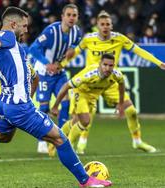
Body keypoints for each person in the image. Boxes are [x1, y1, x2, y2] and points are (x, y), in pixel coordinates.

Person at [0, 6, 111, 187]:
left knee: (2, 136)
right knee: (59, 138)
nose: (27, 30)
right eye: (24, 26)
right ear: (13, 24)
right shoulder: (7, 36)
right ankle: (86, 180)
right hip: (18, 106)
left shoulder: (4, 53)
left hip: (5, 103)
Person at [60, 10, 165, 154]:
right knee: (81, 119)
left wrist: (158, 63)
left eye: (107, 24)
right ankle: (78, 144)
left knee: (131, 111)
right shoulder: (88, 39)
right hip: (90, 83)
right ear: (97, 25)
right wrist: (60, 66)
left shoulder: (119, 39)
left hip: (110, 82)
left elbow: (139, 51)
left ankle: (137, 141)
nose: (105, 27)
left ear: (111, 25)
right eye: (102, 24)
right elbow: (74, 54)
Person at [28, 4, 82, 153]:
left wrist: (73, 49)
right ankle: (41, 141)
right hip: (43, 73)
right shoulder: (51, 31)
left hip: (59, 73)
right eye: (69, 15)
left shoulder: (77, 33)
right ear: (62, 17)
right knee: (44, 107)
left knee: (66, 103)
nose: (71, 18)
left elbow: (76, 46)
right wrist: (47, 64)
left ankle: (62, 140)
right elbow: (33, 48)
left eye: (74, 15)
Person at [49, 53, 125, 156]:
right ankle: (67, 149)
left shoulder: (117, 75)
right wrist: (55, 106)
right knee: (85, 121)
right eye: (105, 64)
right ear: (100, 64)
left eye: (110, 65)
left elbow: (121, 85)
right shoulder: (89, 75)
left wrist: (120, 104)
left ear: (114, 65)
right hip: (80, 93)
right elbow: (66, 86)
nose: (107, 68)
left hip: (93, 97)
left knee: (75, 122)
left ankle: (53, 143)